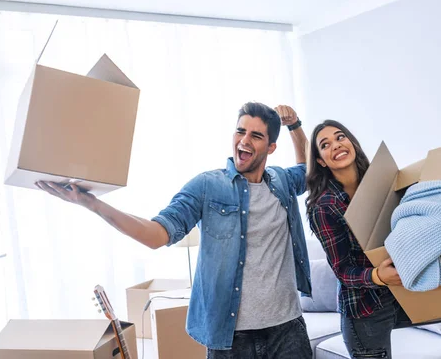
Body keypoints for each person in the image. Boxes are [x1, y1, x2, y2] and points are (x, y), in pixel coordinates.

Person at [36, 102, 313, 359]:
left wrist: (296, 126)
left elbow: (307, 169)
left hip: (286, 329)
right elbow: (156, 234)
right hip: (230, 338)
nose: (244, 140)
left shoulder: (281, 181)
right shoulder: (207, 186)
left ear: (271, 147)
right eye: (240, 131)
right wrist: (93, 204)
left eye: (256, 136)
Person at [305, 119, 441, 359]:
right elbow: (343, 270)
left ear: (351, 143)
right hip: (367, 311)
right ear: (320, 161)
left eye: (340, 137)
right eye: (325, 145)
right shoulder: (325, 206)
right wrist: (378, 275)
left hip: (403, 291)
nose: (335, 145)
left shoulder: (379, 181)